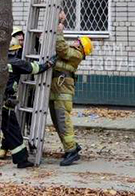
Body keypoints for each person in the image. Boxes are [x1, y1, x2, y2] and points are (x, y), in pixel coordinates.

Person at [2, 27, 54, 168]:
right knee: (13, 131)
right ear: (15, 50)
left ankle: (3, 152)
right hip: (5, 104)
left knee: (6, 130)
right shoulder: (16, 62)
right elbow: (36, 68)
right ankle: (21, 160)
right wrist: (49, 63)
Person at [49, 11, 93, 166]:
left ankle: (71, 152)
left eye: (78, 41)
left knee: (63, 121)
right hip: (55, 91)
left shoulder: (76, 55)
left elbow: (61, 48)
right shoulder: (73, 52)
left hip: (62, 94)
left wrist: (60, 30)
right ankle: (71, 146)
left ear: (81, 47)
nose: (75, 41)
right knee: (57, 122)